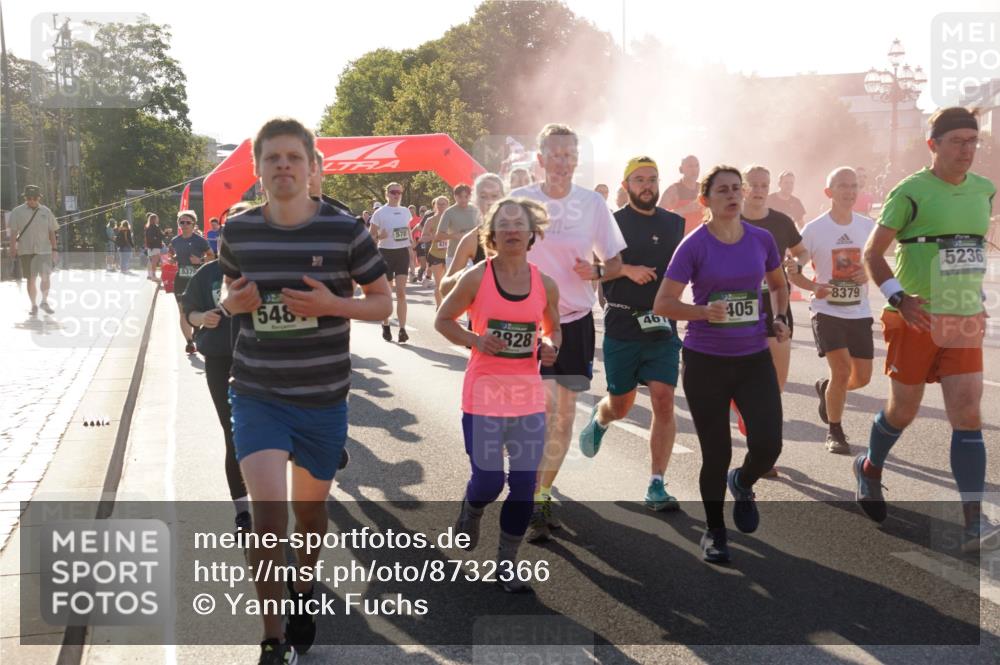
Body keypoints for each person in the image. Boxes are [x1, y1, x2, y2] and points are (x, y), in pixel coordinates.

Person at [218, 118, 391, 663]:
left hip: (322, 398)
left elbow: (383, 302)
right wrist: (231, 303)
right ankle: (271, 639)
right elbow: (229, 287)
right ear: (258, 169)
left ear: (313, 167)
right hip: (257, 393)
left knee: (309, 517)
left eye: (294, 157)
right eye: (273, 158)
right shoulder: (238, 231)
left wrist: (333, 305)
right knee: (269, 522)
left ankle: (304, 585)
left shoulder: (346, 231)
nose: (284, 166)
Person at [855, 107, 996, 552]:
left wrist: (975, 294)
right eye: (956, 141)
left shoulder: (985, 190)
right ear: (932, 145)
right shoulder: (909, 192)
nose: (966, 150)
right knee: (904, 410)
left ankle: (974, 521)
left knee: (967, 413)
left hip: (963, 318)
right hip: (914, 318)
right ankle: (870, 466)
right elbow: (872, 253)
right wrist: (899, 298)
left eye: (972, 141)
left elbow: (974, 248)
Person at [654, 165, 787, 564]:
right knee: (716, 453)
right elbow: (663, 304)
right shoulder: (694, 245)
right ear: (705, 200)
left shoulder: (761, 239)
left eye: (735, 189)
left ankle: (742, 482)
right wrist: (702, 312)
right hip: (706, 361)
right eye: (722, 190)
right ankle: (714, 531)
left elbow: (778, 284)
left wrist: (780, 317)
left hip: (753, 359)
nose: (732, 195)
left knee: (768, 445)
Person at [435, 197, 561, 593]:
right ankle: (472, 509)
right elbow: (442, 320)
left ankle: (506, 563)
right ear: (492, 234)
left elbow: (553, 328)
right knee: (488, 481)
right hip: (484, 396)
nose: (511, 230)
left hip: (527, 400)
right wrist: (475, 340)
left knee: (524, 485)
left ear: (531, 233)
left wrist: (550, 345)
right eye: (503, 224)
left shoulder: (545, 283)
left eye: (518, 224)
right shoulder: (476, 277)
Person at [512, 123, 627, 542]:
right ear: (541, 159)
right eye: (556, 155)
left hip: (575, 322)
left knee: (562, 415)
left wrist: (596, 271)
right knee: (539, 415)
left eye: (570, 155)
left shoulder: (592, 203)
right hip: (528, 324)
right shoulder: (521, 201)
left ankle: (540, 497)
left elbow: (615, 263)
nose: (563, 162)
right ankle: (529, 489)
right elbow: (496, 253)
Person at [578, 157, 686, 510]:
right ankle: (602, 417)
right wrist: (625, 270)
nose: (647, 185)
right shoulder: (611, 224)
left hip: (662, 325)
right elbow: (588, 269)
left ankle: (656, 483)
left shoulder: (674, 224)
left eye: (652, 179)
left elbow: (687, 267)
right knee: (621, 405)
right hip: (623, 323)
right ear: (626, 186)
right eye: (639, 179)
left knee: (663, 399)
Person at [789, 167, 875, 454]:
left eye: (853, 186)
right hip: (827, 312)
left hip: (859, 311)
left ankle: (827, 389)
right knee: (842, 370)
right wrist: (814, 287)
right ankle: (835, 432)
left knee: (862, 378)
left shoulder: (867, 226)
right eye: (842, 186)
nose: (849, 191)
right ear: (829, 192)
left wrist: (867, 273)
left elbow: (876, 263)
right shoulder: (813, 230)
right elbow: (793, 270)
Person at [181, 203, 252, 535]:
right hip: (221, 360)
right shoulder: (208, 273)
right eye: (231, 230)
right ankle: (243, 513)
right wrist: (202, 318)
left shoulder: (270, 269)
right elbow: (190, 311)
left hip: (264, 359)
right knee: (233, 434)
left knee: (273, 431)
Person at [740, 165, 808, 467]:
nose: (759, 190)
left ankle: (762, 447)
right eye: (753, 184)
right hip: (740, 310)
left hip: (776, 307)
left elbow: (802, 251)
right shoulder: (731, 219)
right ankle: (761, 454)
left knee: (775, 386)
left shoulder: (781, 221)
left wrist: (797, 264)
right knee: (744, 384)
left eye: (764, 185)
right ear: (743, 187)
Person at [439, 173, 506, 298]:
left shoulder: (521, 234)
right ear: (476, 201)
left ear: (505, 197)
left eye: (495, 196)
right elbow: (445, 288)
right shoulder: (471, 239)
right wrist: (466, 275)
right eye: (483, 196)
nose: (490, 201)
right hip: (483, 307)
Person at [369, 182, 414, 343]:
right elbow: (370, 237)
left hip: (402, 253)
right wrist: (379, 236)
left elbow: (407, 229)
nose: (396, 195)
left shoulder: (405, 211)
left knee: (401, 292)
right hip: (385, 253)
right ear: (387, 194)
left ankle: (402, 329)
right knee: (387, 293)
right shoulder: (379, 213)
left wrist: (411, 243)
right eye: (393, 192)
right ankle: (386, 324)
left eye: (399, 192)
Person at [8, 185, 59, 315]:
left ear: (39, 198)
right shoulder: (17, 212)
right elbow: (13, 233)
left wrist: (54, 250)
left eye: (34, 198)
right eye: (29, 198)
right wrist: (12, 248)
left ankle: (44, 302)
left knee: (45, 277)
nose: (31, 200)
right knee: (31, 279)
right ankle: (33, 305)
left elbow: (52, 232)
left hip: (44, 250)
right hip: (26, 250)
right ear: (25, 198)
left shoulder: (46, 211)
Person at [170, 210, 213, 355]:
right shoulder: (175, 240)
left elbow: (212, 256)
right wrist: (173, 258)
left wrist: (200, 260)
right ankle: (189, 342)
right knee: (182, 311)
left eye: (188, 222)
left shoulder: (200, 241)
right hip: (181, 279)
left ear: (193, 224)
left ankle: (196, 328)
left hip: (197, 278)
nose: (184, 225)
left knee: (197, 309)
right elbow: (172, 253)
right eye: (181, 222)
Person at [658, 155, 704, 236]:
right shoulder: (673, 190)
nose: (694, 170)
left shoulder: (703, 189)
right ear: (681, 169)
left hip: (700, 239)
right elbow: (658, 218)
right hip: (680, 239)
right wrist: (683, 210)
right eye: (690, 166)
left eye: (697, 166)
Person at [438, 184, 480, 271]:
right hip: (454, 255)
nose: (463, 199)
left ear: (470, 196)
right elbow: (439, 235)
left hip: (475, 255)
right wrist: (455, 236)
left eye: (466, 196)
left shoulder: (476, 210)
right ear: (455, 197)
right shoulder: (449, 212)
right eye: (460, 197)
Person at [422, 196, 451, 308]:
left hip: (450, 254)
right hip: (435, 254)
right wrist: (434, 237)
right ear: (435, 205)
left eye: (443, 204)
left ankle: (447, 308)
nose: (441, 206)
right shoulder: (431, 220)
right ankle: (440, 308)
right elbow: (423, 238)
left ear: (448, 205)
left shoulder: (452, 219)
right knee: (439, 284)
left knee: (449, 284)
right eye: (438, 204)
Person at [144, 213, 165, 281]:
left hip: (150, 247)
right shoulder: (155, 227)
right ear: (154, 219)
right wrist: (166, 233)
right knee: (154, 262)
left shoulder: (148, 227)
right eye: (157, 218)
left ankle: (150, 275)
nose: (158, 219)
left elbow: (149, 237)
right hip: (155, 247)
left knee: (151, 262)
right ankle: (153, 276)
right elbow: (160, 236)